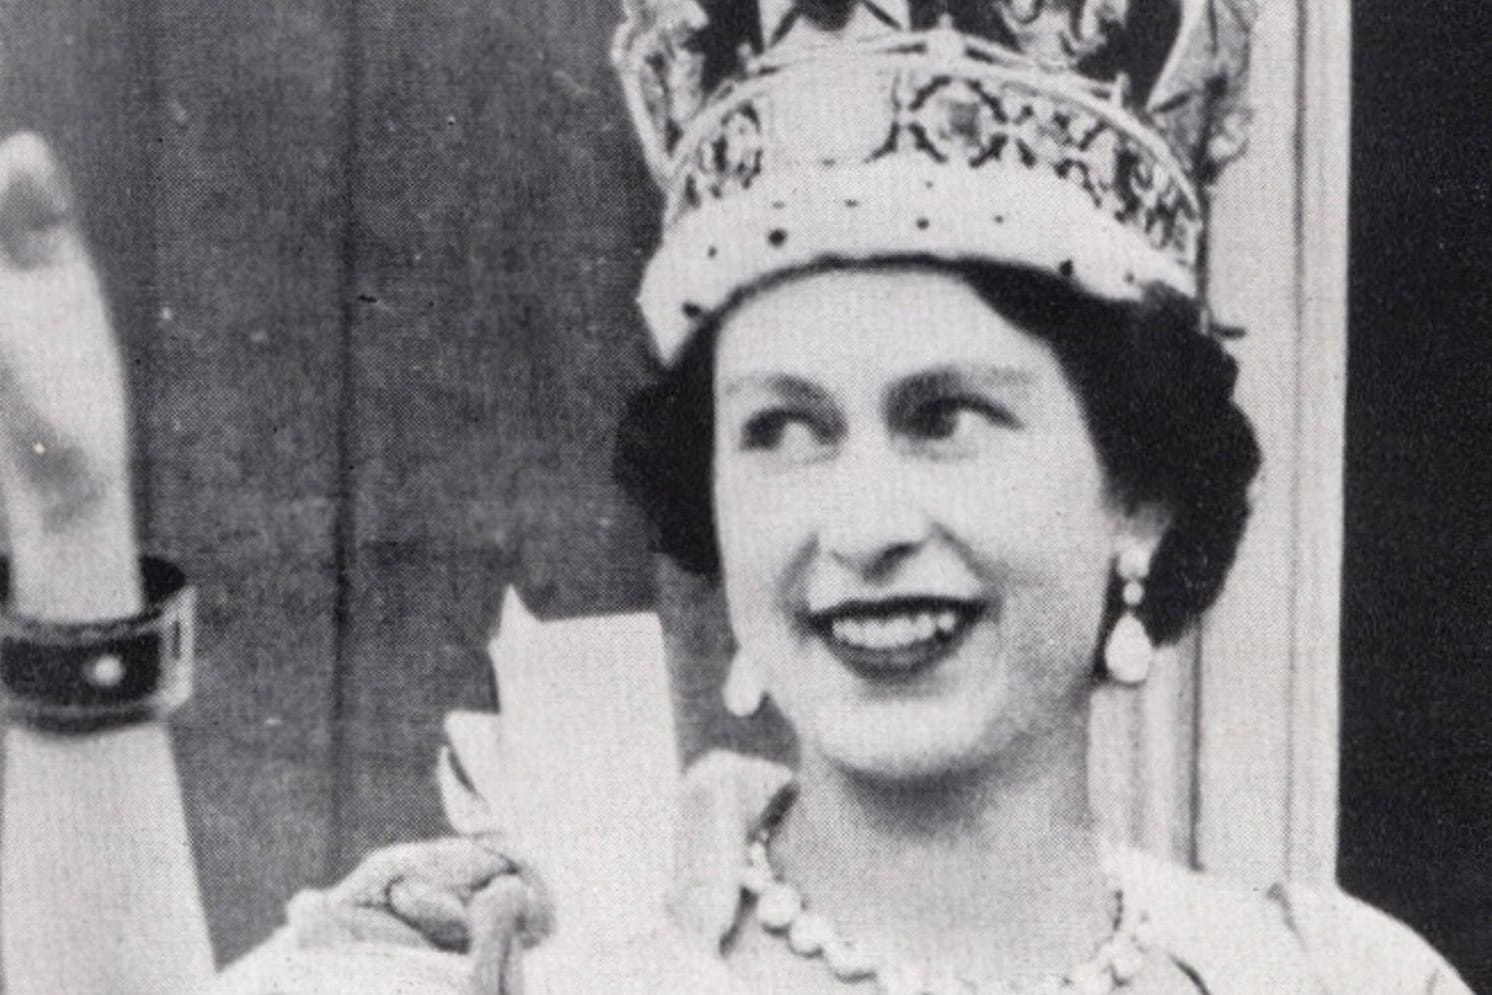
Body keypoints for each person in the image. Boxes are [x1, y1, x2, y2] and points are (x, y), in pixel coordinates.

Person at [0, 2, 1473, 994]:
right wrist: (73, 537)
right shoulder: (520, 966)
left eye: (945, 415)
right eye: (782, 428)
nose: (859, 521)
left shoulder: (1332, 984)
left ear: (1139, 494)